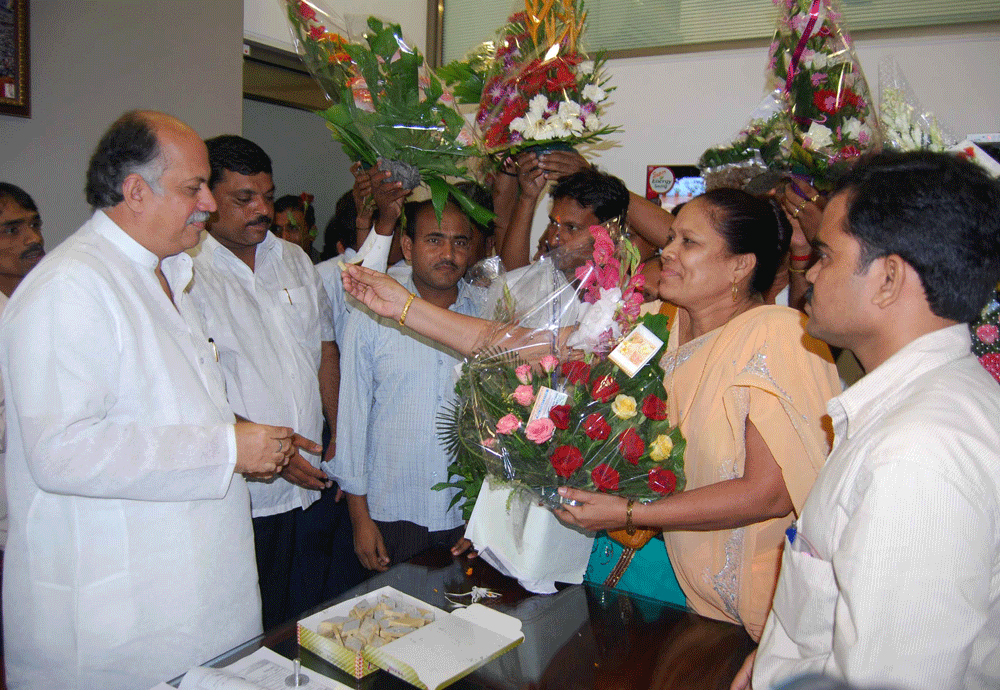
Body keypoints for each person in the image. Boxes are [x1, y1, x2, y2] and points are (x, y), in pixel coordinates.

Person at [341, 188, 842, 639]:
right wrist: (404, 307)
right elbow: (527, 347)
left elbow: (769, 493)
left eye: (688, 242)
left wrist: (627, 512)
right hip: (669, 586)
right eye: (670, 238)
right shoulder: (652, 330)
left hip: (755, 612)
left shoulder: (777, 333)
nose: (665, 251)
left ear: (740, 265)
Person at [0, 111, 295, 690]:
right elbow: (61, 451)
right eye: (194, 187)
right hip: (121, 620)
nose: (208, 203)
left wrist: (233, 437)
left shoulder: (166, 273)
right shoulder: (72, 285)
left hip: (193, 598)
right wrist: (225, 448)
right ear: (135, 191)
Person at [736, 151, 1000, 690]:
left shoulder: (920, 453)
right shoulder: (919, 405)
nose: (808, 271)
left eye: (827, 255)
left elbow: (895, 680)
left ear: (887, 279)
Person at [189, 135, 345, 629]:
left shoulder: (294, 260)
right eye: (243, 199)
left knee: (312, 616)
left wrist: (337, 429)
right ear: (209, 199)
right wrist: (273, 454)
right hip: (247, 494)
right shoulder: (187, 272)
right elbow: (193, 389)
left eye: (267, 195)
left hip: (315, 479)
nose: (261, 210)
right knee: (255, 625)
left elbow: (323, 349)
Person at [332, 196, 482, 572]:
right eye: (434, 240)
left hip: (466, 514)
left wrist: (487, 517)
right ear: (408, 247)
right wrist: (359, 518)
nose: (448, 252)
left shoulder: (485, 316)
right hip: (391, 510)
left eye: (460, 242)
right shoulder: (371, 317)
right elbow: (352, 419)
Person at [0, 182, 45, 663]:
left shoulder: (46, 297)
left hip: (42, 516)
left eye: (33, 223)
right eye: (11, 230)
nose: (30, 237)